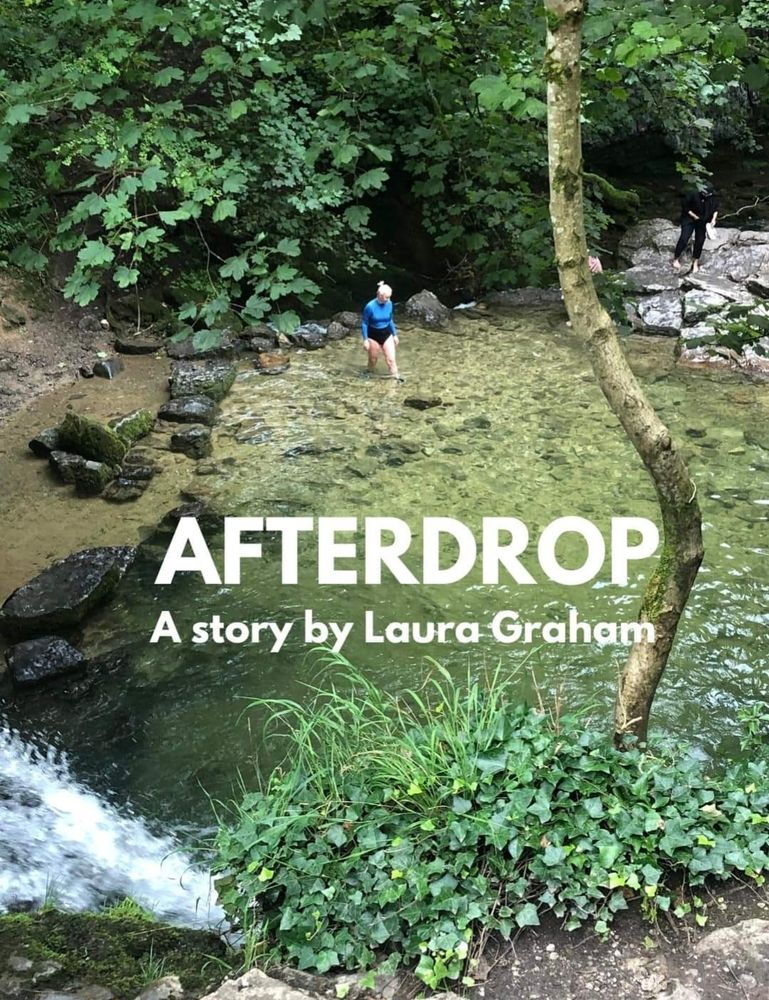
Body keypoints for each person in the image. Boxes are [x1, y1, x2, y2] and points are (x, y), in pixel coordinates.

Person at [672, 185, 719, 273]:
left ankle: (695, 262)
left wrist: (713, 219)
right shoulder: (693, 194)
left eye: (707, 193)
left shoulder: (712, 197)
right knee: (684, 238)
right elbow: (685, 207)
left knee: (700, 240)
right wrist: (694, 216)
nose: (705, 194)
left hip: (702, 220)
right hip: (689, 218)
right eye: (704, 192)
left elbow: (716, 208)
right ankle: (676, 259)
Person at [361, 281, 401, 380]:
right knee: (373, 360)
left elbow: (390, 319)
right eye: (386, 297)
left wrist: (395, 334)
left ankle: (396, 378)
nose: (388, 299)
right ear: (380, 295)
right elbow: (364, 323)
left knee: (391, 360)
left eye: (389, 297)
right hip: (373, 335)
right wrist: (365, 340)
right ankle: (369, 373)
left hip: (386, 333)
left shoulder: (389, 304)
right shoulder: (370, 306)